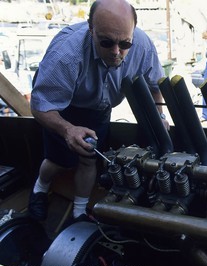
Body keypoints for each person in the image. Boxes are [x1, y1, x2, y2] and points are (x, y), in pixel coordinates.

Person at [28, 0, 168, 222]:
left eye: (124, 44)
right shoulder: (67, 55)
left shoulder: (142, 46)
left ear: (133, 30)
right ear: (90, 29)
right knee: (58, 160)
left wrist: (160, 115)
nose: (116, 52)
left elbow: (155, 88)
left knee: (88, 159)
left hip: (100, 108)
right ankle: (39, 189)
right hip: (64, 107)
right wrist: (67, 130)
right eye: (106, 42)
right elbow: (40, 106)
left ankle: (79, 212)